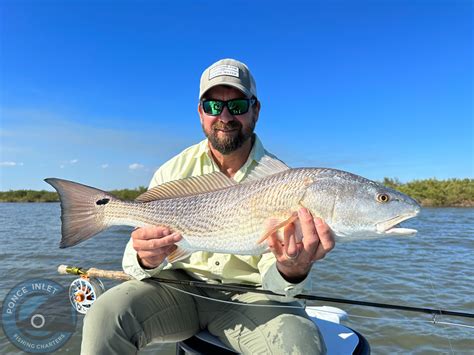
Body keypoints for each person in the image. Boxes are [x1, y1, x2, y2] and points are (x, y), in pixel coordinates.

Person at [81, 58, 335, 354]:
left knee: (299, 346)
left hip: (254, 298)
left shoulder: (284, 179)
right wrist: (147, 259)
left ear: (256, 110)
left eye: (237, 105)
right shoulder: (171, 171)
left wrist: (291, 269)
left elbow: (278, 285)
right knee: (105, 316)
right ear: (201, 113)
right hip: (178, 290)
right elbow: (135, 259)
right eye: (214, 106)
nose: (225, 116)